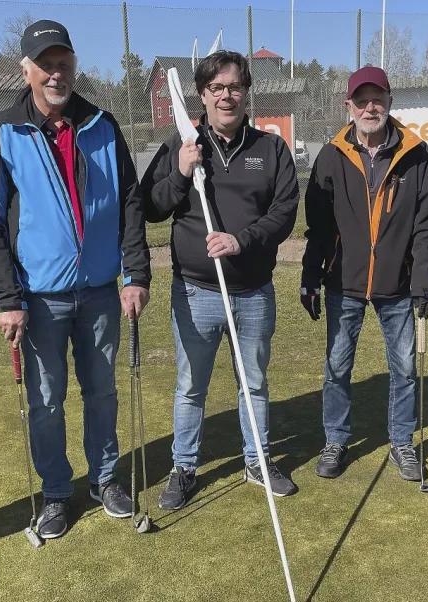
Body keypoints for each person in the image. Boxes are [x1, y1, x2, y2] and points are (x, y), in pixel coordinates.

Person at [0, 20, 151, 538]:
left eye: (63, 62)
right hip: (37, 298)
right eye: (45, 64)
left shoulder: (102, 124)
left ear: (74, 64)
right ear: (25, 70)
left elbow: (130, 204)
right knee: (46, 401)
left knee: (102, 392)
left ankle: (107, 477)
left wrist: (135, 272)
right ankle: (55, 492)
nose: (56, 73)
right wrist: (5, 296)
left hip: (98, 290)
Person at [141, 50, 299, 510]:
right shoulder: (182, 144)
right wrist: (182, 171)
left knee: (253, 382)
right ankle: (184, 467)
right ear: (202, 95)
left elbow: (285, 212)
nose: (226, 96)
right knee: (191, 386)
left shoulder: (270, 149)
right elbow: (152, 206)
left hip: (253, 292)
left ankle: (257, 460)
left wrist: (241, 240)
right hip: (196, 292)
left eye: (234, 87)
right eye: (217, 88)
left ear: (247, 92)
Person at [300, 66, 428, 481]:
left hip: (397, 283)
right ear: (349, 106)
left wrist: (424, 276)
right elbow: (319, 228)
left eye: (377, 98)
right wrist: (310, 275)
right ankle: (336, 440)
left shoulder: (415, 153)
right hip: (344, 282)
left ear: (390, 101)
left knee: (403, 368)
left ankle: (401, 442)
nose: (370, 107)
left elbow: (426, 222)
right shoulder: (331, 155)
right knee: (337, 368)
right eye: (361, 100)